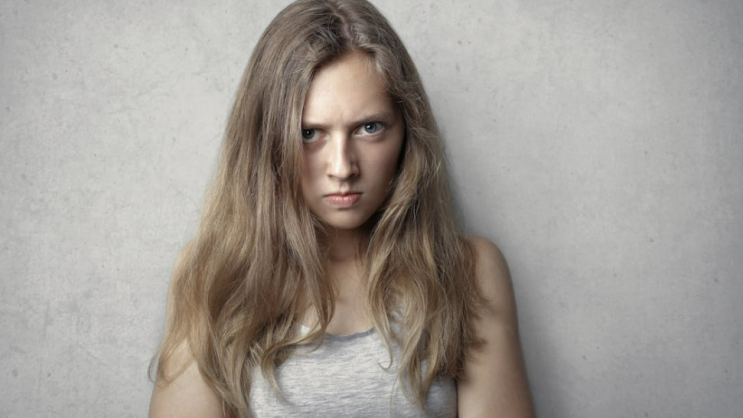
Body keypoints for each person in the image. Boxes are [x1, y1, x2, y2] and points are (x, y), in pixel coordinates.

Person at [149, 0, 534, 417]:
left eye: (369, 128)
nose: (342, 168)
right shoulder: (212, 275)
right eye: (309, 133)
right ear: (266, 141)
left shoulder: (467, 271)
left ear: (408, 131)